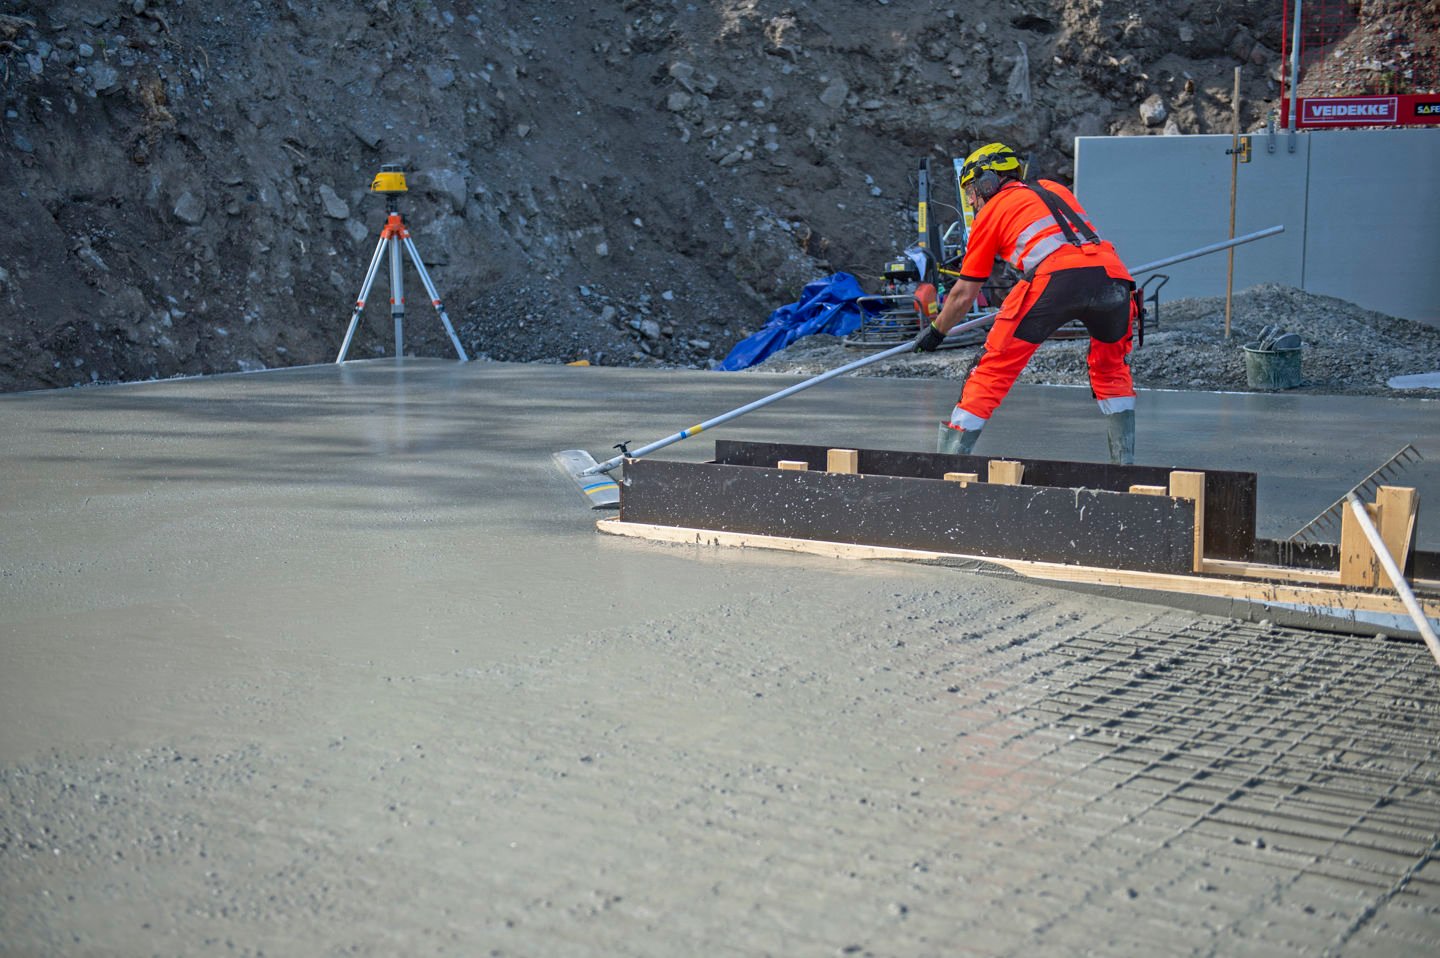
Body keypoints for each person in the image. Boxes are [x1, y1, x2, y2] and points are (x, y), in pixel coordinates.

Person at [914, 143, 1138, 464]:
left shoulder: (990, 213)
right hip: (1113, 277)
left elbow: (964, 293)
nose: (972, 201)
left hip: (1055, 278)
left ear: (988, 182)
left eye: (972, 192)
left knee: (991, 369)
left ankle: (950, 465)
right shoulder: (1053, 189)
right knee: (1112, 368)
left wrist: (936, 332)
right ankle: (1125, 466)